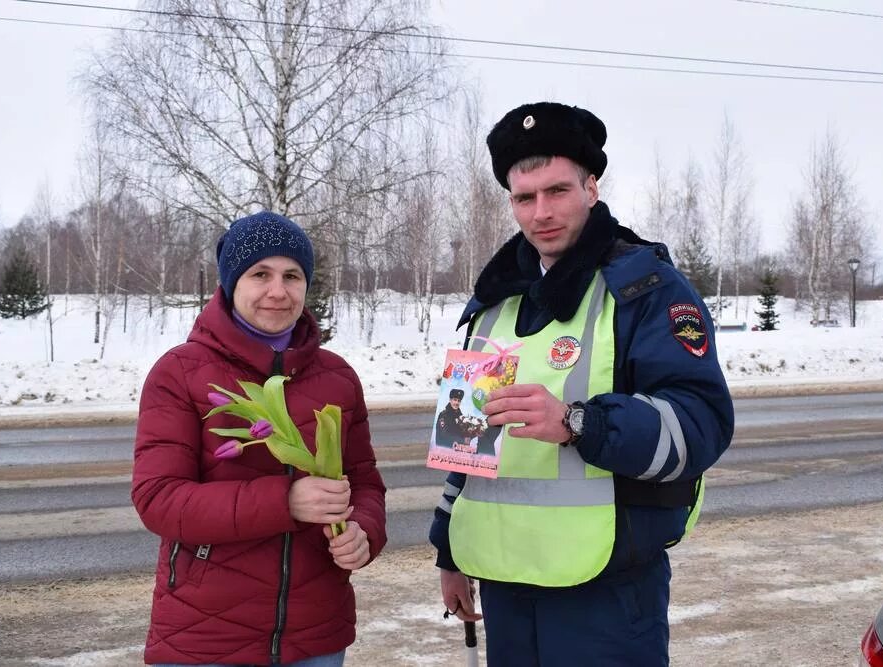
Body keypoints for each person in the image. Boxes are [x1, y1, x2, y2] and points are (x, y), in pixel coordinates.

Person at [429, 102, 734, 666]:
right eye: (525, 197)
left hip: (608, 587)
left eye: (558, 191)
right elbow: (465, 443)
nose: (541, 212)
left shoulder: (647, 288)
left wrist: (577, 423)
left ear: (591, 187)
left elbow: (701, 424)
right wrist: (449, 549)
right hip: (504, 576)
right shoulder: (493, 300)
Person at [133, 211, 387, 666]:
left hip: (316, 635)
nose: (278, 290)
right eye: (260, 274)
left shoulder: (336, 376)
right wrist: (285, 501)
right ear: (232, 283)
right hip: (204, 635)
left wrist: (363, 532)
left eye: (292, 275)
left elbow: (364, 482)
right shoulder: (181, 372)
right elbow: (158, 498)